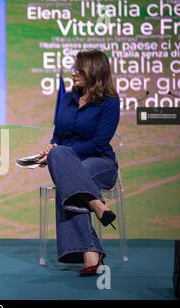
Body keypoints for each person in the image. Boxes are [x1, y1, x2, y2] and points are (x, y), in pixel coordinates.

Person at [36, 49, 120, 276]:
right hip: (68, 164)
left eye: (79, 70)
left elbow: (99, 143)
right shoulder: (69, 97)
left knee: (70, 176)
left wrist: (61, 151)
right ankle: (96, 205)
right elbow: (58, 135)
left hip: (100, 163)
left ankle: (89, 251)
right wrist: (52, 148)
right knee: (62, 159)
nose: (73, 74)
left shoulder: (110, 102)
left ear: (94, 72)